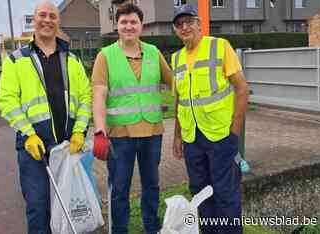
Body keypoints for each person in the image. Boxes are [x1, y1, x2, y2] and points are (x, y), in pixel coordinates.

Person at [0, 1, 91, 233]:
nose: (47, 20)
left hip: (67, 147)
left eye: (52, 16)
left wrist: (79, 130)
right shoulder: (17, 60)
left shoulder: (73, 60)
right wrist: (28, 135)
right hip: (34, 150)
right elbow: (6, 100)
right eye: (42, 15)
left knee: (69, 206)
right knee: (39, 208)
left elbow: (85, 98)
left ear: (58, 22)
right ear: (34, 20)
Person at [91, 3, 172, 234]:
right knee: (119, 188)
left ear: (141, 26)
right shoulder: (105, 56)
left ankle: (151, 226)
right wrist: (99, 130)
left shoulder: (153, 52)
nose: (128, 26)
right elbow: (98, 94)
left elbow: (174, 82)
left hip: (152, 133)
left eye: (133, 22)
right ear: (117, 26)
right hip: (120, 137)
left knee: (152, 186)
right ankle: (120, 229)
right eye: (124, 22)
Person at [171, 4, 249, 234]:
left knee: (225, 193)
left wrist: (235, 129)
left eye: (189, 22)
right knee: (200, 192)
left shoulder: (219, 46)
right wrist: (177, 137)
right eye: (179, 24)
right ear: (176, 30)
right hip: (192, 138)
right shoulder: (176, 59)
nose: (184, 27)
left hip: (221, 136)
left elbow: (242, 88)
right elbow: (180, 101)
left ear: (199, 24)